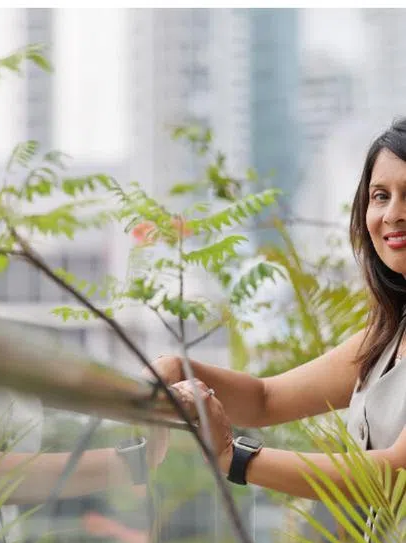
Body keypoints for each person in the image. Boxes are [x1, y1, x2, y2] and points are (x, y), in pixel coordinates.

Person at [157, 119, 406, 504]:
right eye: (380, 196)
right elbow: (265, 399)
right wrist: (178, 369)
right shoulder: (389, 334)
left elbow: (393, 472)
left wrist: (232, 457)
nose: (392, 214)